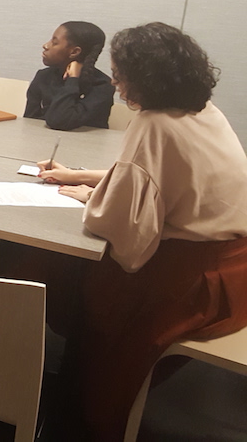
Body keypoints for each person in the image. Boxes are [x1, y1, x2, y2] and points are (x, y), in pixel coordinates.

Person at [33, 23, 247, 441]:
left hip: (190, 284)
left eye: (120, 73)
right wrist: (82, 176)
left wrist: (90, 198)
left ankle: (77, 412)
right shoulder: (203, 111)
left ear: (144, 77)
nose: (114, 81)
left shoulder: (153, 123)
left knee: (69, 275)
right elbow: (153, 178)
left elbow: (127, 237)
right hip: (235, 274)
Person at [24, 21, 113, 130]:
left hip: (85, 144)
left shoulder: (102, 86)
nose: (46, 45)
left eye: (54, 42)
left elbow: (59, 121)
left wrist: (73, 80)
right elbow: (29, 122)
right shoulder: (43, 77)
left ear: (74, 52)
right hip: (43, 141)